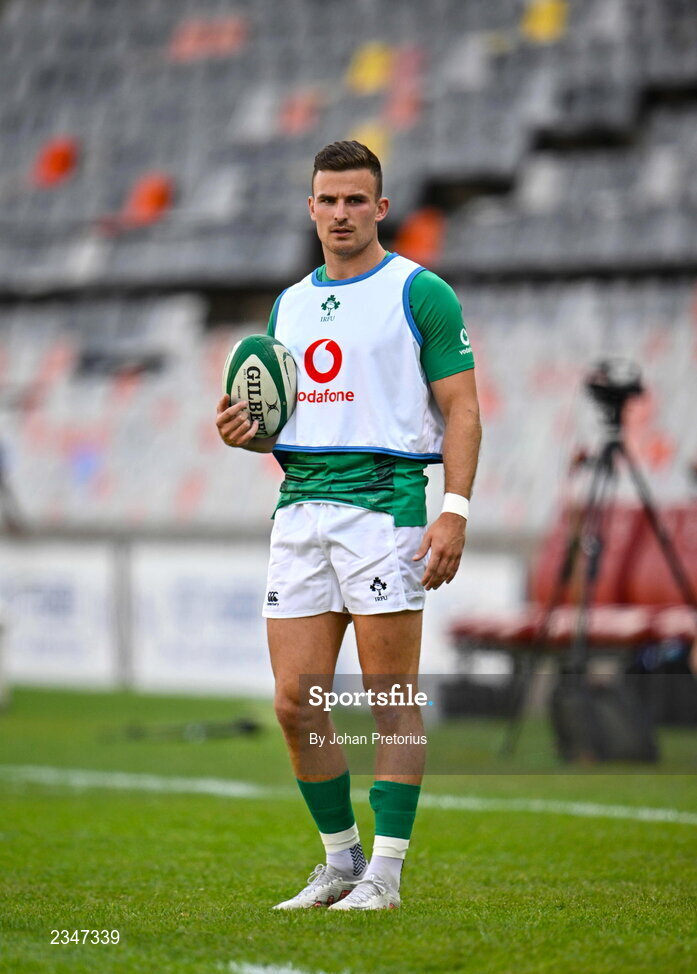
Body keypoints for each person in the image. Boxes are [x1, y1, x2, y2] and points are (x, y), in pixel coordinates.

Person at [216, 141, 481, 910]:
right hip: (300, 507)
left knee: (388, 694)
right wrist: (246, 432)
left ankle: (387, 877)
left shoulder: (420, 292)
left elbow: (461, 408)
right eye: (326, 200)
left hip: (386, 506)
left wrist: (452, 511)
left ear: (379, 207)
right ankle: (339, 864)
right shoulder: (287, 305)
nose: (339, 213)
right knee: (296, 700)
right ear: (309, 209)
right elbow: (279, 421)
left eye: (353, 200)